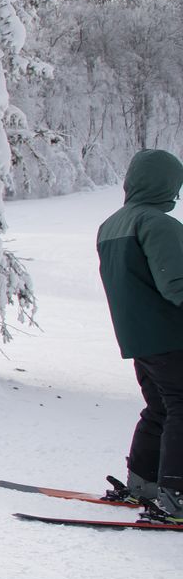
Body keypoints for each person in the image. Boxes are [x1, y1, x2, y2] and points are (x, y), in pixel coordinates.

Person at [97, 148, 183, 521]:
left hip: (139, 337)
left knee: (160, 407)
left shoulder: (111, 224)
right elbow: (177, 283)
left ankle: (142, 484)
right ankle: (176, 494)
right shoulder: (158, 223)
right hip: (170, 335)